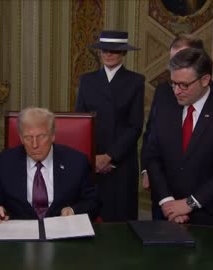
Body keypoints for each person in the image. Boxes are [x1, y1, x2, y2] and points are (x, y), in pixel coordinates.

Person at [146, 48, 213, 228]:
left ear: (205, 80)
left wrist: (189, 203)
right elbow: (153, 156)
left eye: (184, 85)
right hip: (167, 216)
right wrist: (168, 202)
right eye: (173, 83)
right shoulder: (164, 108)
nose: (177, 91)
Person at [0, 107, 97, 224]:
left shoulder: (77, 162)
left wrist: (73, 210)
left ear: (52, 136)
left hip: (63, 233)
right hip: (19, 236)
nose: (35, 145)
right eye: (28, 138)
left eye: (41, 136)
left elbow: (93, 202)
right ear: (21, 138)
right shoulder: (3, 163)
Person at [75, 31, 145, 222]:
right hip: (91, 161)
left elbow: (135, 126)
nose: (109, 54)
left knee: (120, 220)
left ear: (124, 53)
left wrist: (109, 157)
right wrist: (93, 158)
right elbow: (80, 123)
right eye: (105, 50)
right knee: (88, 218)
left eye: (115, 50)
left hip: (121, 162)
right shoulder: (86, 80)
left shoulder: (136, 81)